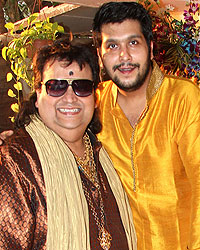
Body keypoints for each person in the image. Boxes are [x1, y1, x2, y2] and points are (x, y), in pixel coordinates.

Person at [0, 40, 137, 250]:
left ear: (94, 97)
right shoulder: (18, 160)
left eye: (82, 87)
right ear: (38, 95)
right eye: (56, 87)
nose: (70, 98)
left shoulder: (105, 153)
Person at [92, 2, 200, 250]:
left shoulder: (183, 99)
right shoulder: (94, 104)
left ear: (150, 48)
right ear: (100, 55)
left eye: (133, 43)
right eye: (112, 46)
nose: (124, 56)